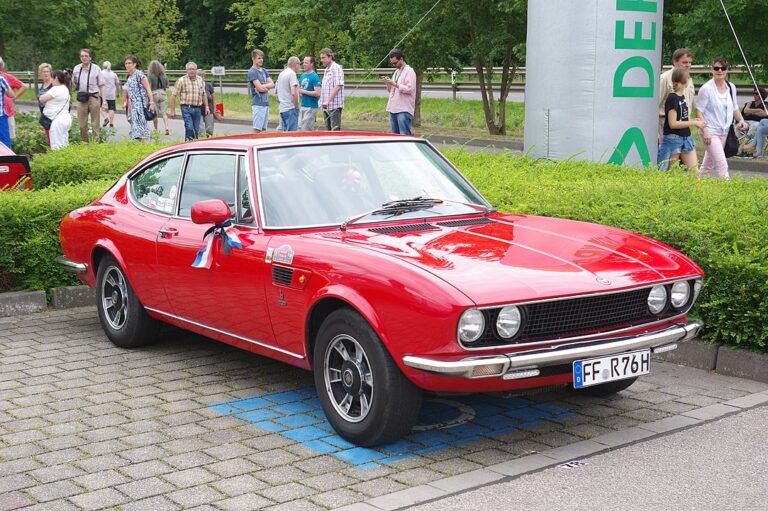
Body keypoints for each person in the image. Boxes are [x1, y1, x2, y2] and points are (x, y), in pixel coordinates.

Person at [695, 57, 747, 179]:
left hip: (724, 131)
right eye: (716, 68)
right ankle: (727, 189)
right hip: (710, 131)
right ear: (712, 70)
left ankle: (696, 184)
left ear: (727, 70)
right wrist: (705, 131)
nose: (720, 71)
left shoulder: (731, 87)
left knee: (708, 164)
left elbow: (734, 107)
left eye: (723, 68)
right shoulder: (706, 88)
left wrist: (741, 120)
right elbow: (699, 112)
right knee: (721, 163)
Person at [657, 68, 706, 171]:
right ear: (685, 81)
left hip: (686, 137)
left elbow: (681, 118)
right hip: (673, 139)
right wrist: (692, 122)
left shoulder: (682, 96)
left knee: (694, 172)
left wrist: (693, 120)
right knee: (670, 173)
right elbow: (673, 123)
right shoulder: (672, 98)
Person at [72, 48, 106, 142]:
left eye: (86, 56)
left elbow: (102, 85)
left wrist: (104, 101)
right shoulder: (77, 68)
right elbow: (74, 85)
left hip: (93, 97)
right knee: (82, 124)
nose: (84, 58)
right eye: (82, 56)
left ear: (90, 57)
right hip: (81, 97)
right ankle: (85, 143)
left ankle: (96, 143)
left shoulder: (96, 68)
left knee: (95, 123)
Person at [170, 62, 209, 140]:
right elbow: (173, 95)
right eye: (189, 69)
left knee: (196, 130)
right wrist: (172, 110)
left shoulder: (200, 80)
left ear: (196, 70)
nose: (191, 71)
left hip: (198, 108)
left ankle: (194, 146)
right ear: (186, 71)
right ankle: (187, 145)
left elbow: (204, 94)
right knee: (189, 128)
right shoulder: (181, 80)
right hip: (186, 108)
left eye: (193, 69)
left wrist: (207, 107)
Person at [383, 49, 417, 135]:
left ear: (401, 59)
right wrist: (388, 84)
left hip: (404, 109)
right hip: (393, 108)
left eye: (395, 63)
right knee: (395, 137)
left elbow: (410, 89)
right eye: (392, 63)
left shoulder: (409, 71)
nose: (394, 65)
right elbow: (391, 90)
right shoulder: (396, 72)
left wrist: (394, 83)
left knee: (404, 135)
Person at [123, 55, 155, 143]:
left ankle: (146, 146)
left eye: (129, 63)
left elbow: (148, 88)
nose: (127, 65)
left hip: (141, 105)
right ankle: (140, 147)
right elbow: (130, 95)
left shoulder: (139, 75)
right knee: (136, 130)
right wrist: (128, 109)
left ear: (134, 64)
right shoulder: (129, 78)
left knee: (143, 128)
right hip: (133, 106)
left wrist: (151, 102)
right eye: (126, 63)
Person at [38, 70, 72, 150]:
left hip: (57, 121)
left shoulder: (56, 89)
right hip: (65, 118)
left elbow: (42, 99)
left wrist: (40, 96)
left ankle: (58, 161)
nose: (51, 80)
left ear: (56, 78)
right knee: (64, 144)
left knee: (56, 146)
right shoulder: (65, 88)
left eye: (52, 78)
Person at [0, 57, 27, 143]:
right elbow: (11, 94)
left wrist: (14, 97)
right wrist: (13, 96)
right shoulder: (2, 79)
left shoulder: (6, 76)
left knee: (8, 138)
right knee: (5, 140)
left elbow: (23, 86)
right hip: (2, 114)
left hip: (7, 112)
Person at [248, 49, 274, 133]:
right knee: (257, 129)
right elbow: (259, 88)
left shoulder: (264, 70)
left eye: (262, 58)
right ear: (253, 59)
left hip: (266, 103)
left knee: (263, 129)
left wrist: (263, 86)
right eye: (259, 58)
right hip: (258, 104)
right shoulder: (252, 72)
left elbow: (272, 83)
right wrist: (265, 87)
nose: (261, 60)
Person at [319, 48, 344, 131]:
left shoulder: (336, 68)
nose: (321, 60)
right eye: (321, 58)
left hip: (334, 106)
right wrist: (321, 102)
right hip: (326, 107)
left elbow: (338, 85)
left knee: (335, 131)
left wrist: (328, 100)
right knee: (327, 132)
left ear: (330, 57)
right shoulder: (326, 70)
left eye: (323, 58)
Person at [737, 87, 767, 156]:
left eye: (756, 93)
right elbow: (745, 111)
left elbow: (764, 113)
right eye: (753, 93)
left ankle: (744, 144)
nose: (754, 95)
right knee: (738, 126)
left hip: (757, 123)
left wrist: (751, 111)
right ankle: (735, 145)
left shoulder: (765, 104)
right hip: (747, 122)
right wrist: (757, 111)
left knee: (755, 125)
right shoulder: (749, 103)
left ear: (761, 95)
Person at [277, 57, 300, 132]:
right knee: (292, 135)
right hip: (291, 108)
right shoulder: (292, 74)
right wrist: (296, 106)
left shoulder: (281, 73)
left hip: (282, 108)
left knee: (285, 134)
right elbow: (293, 93)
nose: (300, 67)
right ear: (295, 64)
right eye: (299, 64)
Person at [298, 55, 321, 131]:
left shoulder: (314, 76)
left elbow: (318, 93)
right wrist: (299, 93)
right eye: (303, 62)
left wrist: (303, 91)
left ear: (312, 64)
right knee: (300, 128)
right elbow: (300, 90)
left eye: (306, 63)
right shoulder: (302, 76)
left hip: (311, 107)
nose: (304, 64)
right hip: (303, 105)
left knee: (306, 129)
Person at [148, 60, 170, 135]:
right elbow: (167, 86)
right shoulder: (164, 75)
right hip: (163, 93)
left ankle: (156, 130)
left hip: (154, 93)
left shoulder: (150, 76)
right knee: (164, 113)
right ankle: (166, 127)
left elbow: (149, 87)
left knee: (155, 114)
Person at [36, 63, 55, 145]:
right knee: (49, 138)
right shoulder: (42, 85)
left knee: (54, 138)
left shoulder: (54, 84)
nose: (46, 73)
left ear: (50, 72)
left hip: (53, 115)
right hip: (45, 115)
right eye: (43, 72)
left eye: (47, 71)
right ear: (40, 73)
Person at [100, 61, 121, 129]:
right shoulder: (114, 74)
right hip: (111, 93)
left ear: (103, 66)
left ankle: (106, 118)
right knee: (111, 108)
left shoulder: (101, 73)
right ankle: (111, 123)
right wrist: (118, 93)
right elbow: (117, 84)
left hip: (103, 94)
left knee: (100, 107)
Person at [198, 69, 215, 137]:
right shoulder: (195, 85)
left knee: (209, 130)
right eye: (199, 76)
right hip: (198, 110)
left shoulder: (209, 85)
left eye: (203, 76)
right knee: (201, 130)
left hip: (209, 110)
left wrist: (214, 108)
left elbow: (213, 98)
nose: (202, 78)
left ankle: (210, 142)